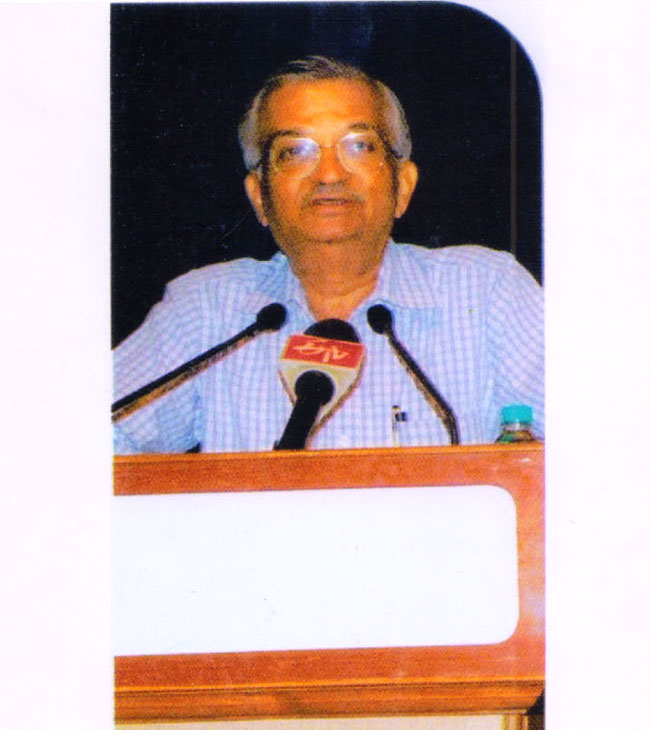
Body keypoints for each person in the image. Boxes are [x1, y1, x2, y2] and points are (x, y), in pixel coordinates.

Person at [113, 56, 543, 453]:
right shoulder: (207, 310)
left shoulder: (487, 291)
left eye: (360, 146)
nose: (330, 174)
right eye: (294, 151)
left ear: (403, 186)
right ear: (259, 197)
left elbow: (580, 446)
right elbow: (90, 446)